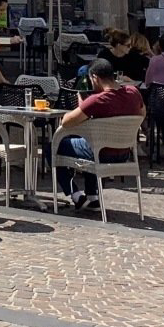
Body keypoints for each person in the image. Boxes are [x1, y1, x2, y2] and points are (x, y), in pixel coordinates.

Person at [55, 58, 145, 213]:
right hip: (124, 152)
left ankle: (76, 196)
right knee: (91, 142)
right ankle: (93, 197)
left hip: (101, 153)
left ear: (94, 78)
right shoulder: (134, 93)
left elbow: (66, 122)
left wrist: (82, 103)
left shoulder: (97, 100)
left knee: (54, 146)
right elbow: (142, 113)